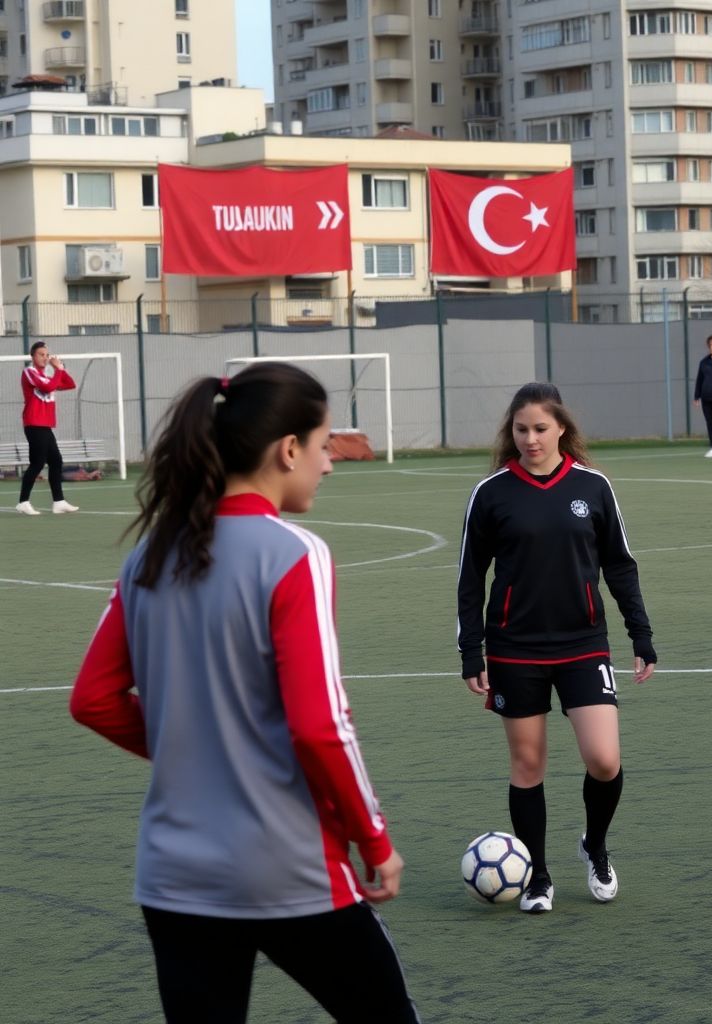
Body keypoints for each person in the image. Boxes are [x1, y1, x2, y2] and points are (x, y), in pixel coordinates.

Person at [69, 363, 420, 1024]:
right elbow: (321, 726)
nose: (330, 464)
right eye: (324, 446)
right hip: (287, 863)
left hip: (174, 874)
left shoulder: (146, 557)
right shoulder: (294, 553)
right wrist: (375, 841)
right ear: (287, 450)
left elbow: (93, 699)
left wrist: (196, 750)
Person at [457, 382, 657, 914]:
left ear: (562, 428)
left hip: (582, 643)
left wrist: (641, 633)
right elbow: (471, 577)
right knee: (528, 765)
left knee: (604, 759)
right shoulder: (492, 493)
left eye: (540, 429)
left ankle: (594, 845)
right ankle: (538, 876)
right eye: (521, 430)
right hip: (513, 648)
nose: (530, 439)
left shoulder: (593, 487)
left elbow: (619, 563)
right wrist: (470, 652)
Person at [16, 341, 79, 515]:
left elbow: (70, 384)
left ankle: (58, 502)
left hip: (45, 425)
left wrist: (60, 369)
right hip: (34, 423)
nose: (45, 357)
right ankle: (23, 501)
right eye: (41, 354)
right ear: (33, 356)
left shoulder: (47, 376)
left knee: (56, 461)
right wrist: (58, 371)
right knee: (37, 463)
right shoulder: (29, 372)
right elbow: (48, 387)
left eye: (46, 355)